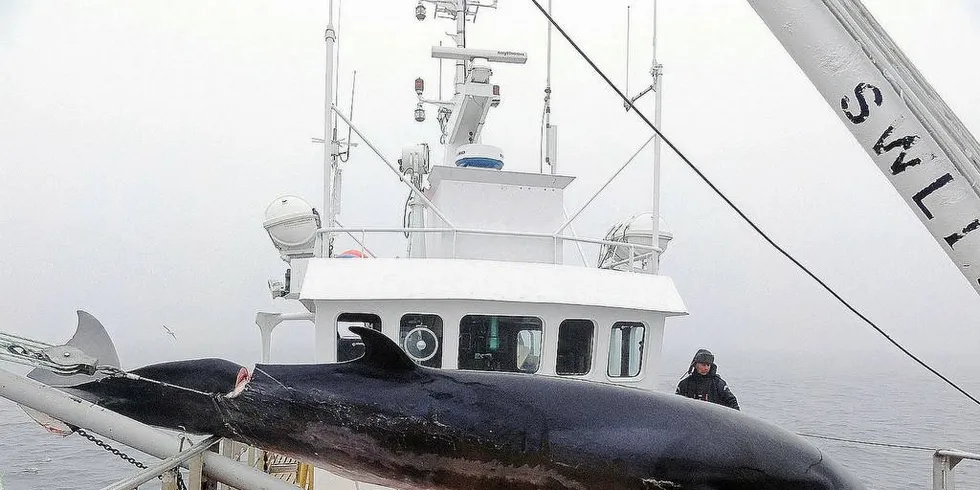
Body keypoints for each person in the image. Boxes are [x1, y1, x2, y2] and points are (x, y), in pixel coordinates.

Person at [675, 349, 739, 410]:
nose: (706, 368)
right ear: (695, 365)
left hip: (713, 419)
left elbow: (732, 402)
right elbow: (676, 405)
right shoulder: (684, 384)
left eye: (708, 365)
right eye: (703, 365)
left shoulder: (718, 384)